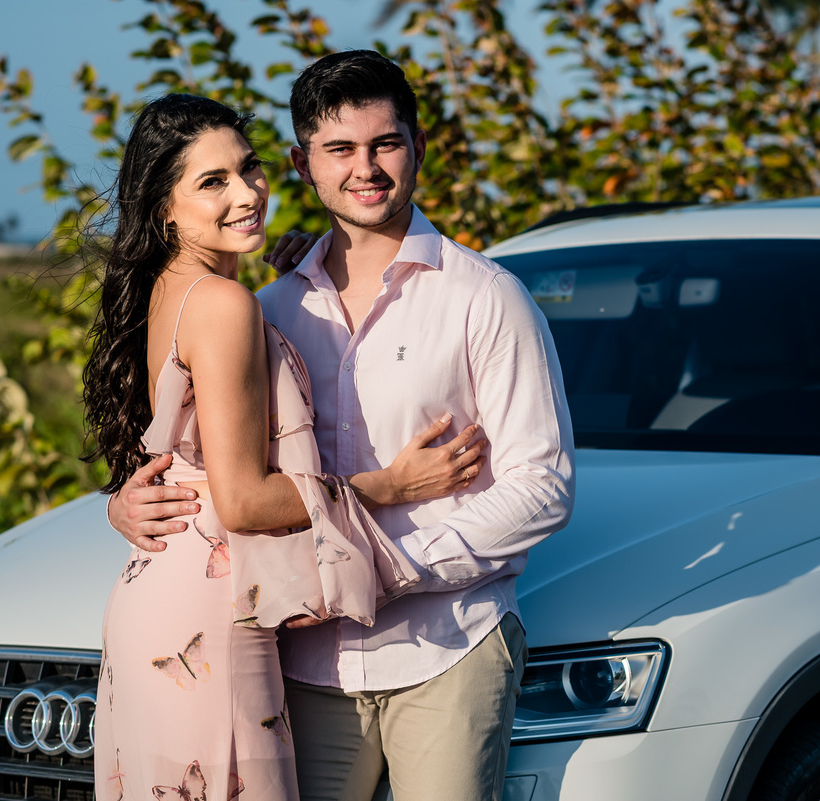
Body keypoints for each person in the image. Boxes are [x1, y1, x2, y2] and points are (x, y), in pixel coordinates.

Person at [111, 51, 575, 801]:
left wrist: (397, 566)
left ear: (417, 147)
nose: (367, 168)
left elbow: (544, 485)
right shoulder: (270, 307)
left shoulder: (485, 297)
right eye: (340, 149)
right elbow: (211, 465)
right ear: (303, 163)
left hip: (446, 644)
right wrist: (125, 505)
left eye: (385, 143)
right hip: (300, 663)